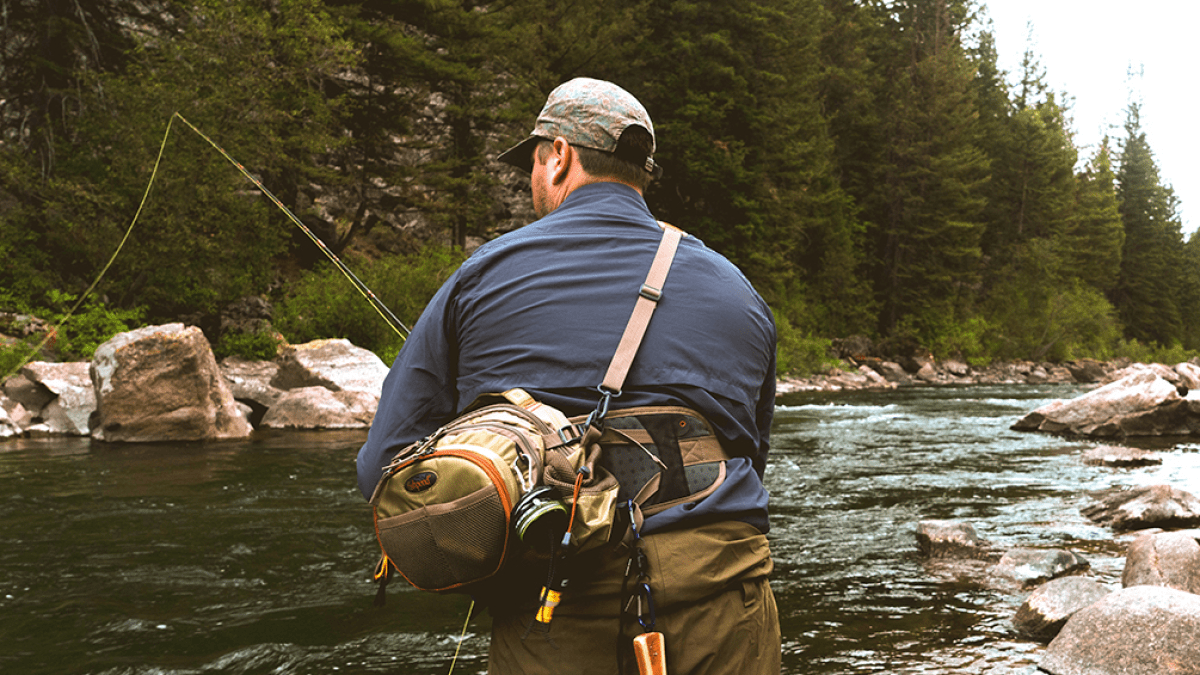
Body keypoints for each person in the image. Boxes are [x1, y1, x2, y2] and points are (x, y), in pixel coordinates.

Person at [357, 77, 780, 675]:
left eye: (534, 159)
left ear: (558, 156)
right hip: (722, 600)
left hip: (551, 610)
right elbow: (752, 457)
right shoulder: (736, 290)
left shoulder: (482, 275)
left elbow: (384, 467)